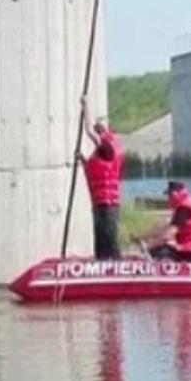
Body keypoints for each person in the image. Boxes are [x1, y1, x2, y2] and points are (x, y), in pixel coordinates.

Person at [78, 96, 123, 259]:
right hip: (99, 204)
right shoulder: (99, 155)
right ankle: (101, 263)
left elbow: (89, 131)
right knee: (100, 241)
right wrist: (83, 160)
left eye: (99, 132)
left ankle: (116, 266)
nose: (96, 135)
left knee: (109, 240)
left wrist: (85, 107)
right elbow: (92, 172)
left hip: (108, 205)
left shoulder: (109, 148)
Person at [139, 181, 191, 261]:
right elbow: (166, 228)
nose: (168, 199)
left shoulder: (184, 209)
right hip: (187, 249)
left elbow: (169, 234)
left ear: (175, 195)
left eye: (169, 196)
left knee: (161, 251)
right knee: (160, 247)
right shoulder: (184, 204)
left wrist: (151, 245)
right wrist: (144, 236)